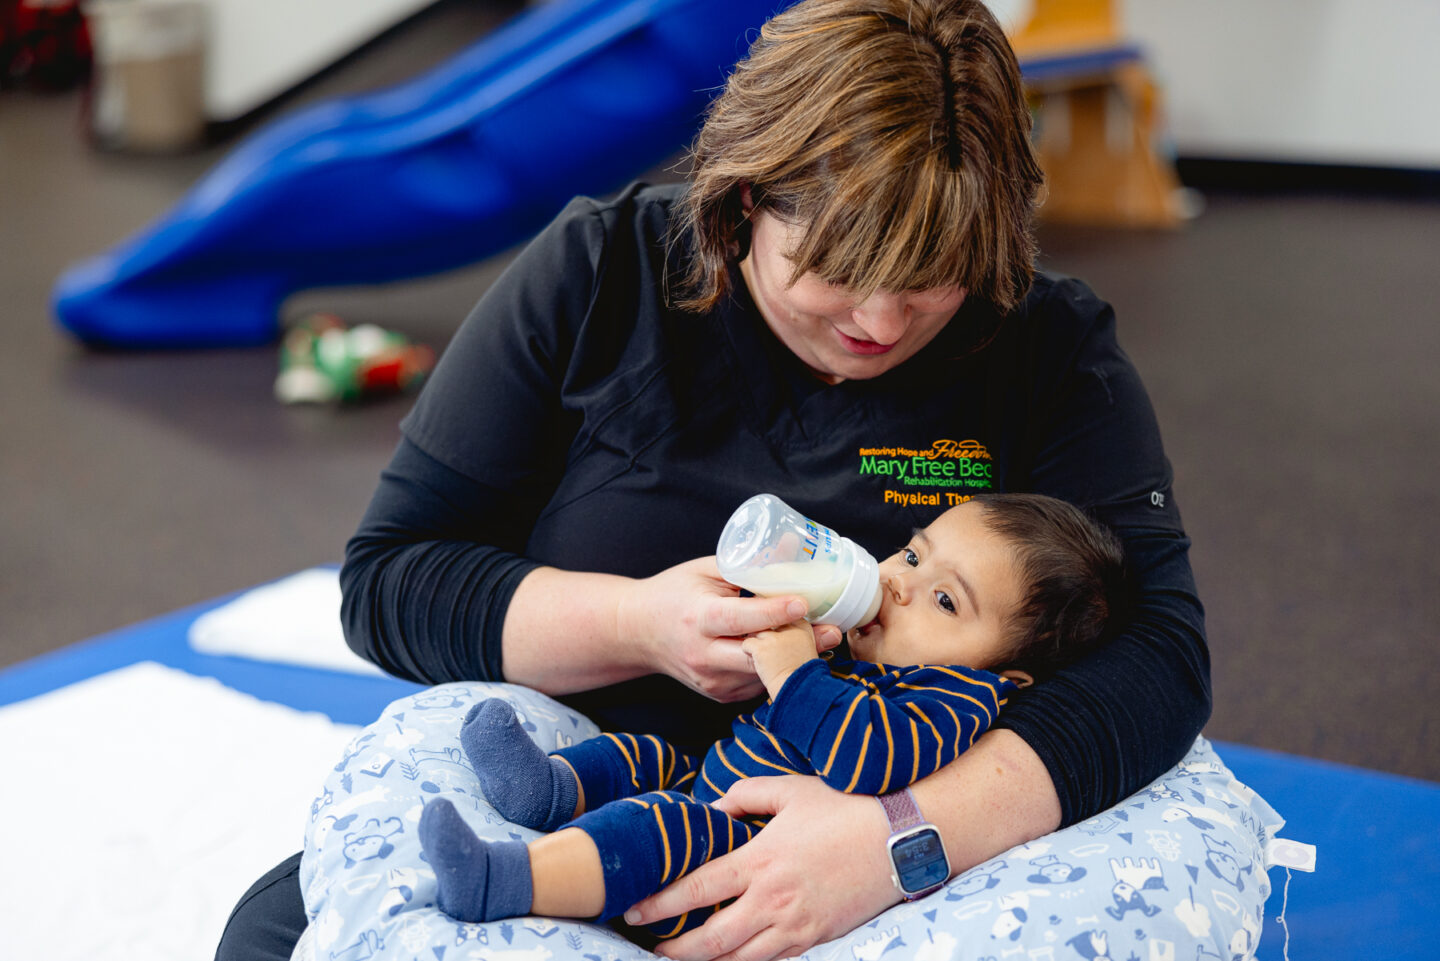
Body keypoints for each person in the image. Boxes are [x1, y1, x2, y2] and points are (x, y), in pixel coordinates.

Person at [216, 1, 1210, 959]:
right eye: (833, 265)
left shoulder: (1045, 345)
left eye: (929, 277)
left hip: (883, 828)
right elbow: (392, 580)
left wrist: (898, 839)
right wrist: (637, 624)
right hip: (596, 793)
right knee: (283, 934)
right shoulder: (599, 274)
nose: (879, 321)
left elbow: (1162, 656)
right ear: (745, 202)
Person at [417, 494, 1129, 936]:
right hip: (716, 787)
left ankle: (504, 879)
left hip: (742, 855)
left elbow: (869, 756)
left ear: (1007, 672)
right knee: (647, 753)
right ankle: (542, 788)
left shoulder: (959, 698)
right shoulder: (868, 650)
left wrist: (793, 670)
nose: (900, 584)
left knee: (658, 822)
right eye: (914, 553)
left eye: (946, 600)